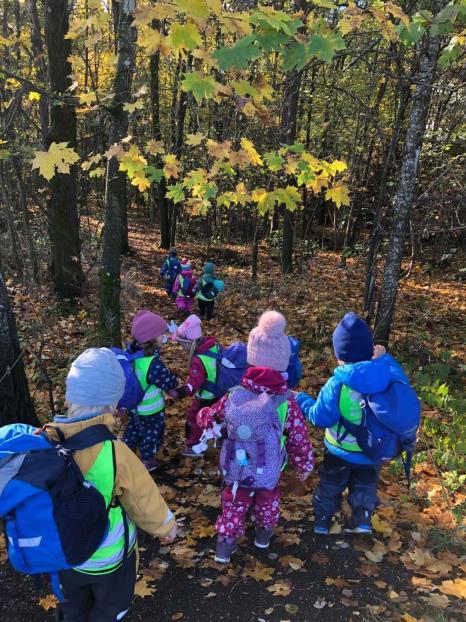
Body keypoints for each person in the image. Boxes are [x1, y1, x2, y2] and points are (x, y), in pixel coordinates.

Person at [47, 347, 177, 622]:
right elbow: (143, 499)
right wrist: (165, 526)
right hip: (108, 560)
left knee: (72, 605)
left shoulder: (48, 440)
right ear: (113, 404)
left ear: (71, 394)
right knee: (110, 607)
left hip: (64, 554)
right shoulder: (115, 452)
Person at [197, 311, 314, 563]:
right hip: (269, 469)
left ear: (251, 359)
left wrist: (205, 416)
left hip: (236, 468)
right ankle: (263, 536)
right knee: (267, 501)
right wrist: (304, 465)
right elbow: (298, 438)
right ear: (283, 364)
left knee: (233, 504)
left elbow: (212, 416)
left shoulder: (234, 394)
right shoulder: (287, 402)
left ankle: (223, 549)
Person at [296, 312, 406, 535]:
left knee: (331, 484)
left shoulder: (337, 383)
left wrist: (301, 400)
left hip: (339, 449)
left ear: (339, 356)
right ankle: (362, 519)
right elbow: (401, 383)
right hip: (371, 449)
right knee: (364, 485)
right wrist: (385, 358)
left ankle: (323, 520)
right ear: (369, 350)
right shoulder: (385, 376)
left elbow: (321, 417)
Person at [123, 310, 178, 471]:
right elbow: (168, 381)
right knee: (152, 434)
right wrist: (175, 382)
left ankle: (127, 454)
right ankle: (148, 459)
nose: (164, 337)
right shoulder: (152, 363)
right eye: (161, 334)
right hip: (152, 408)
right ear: (151, 339)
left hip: (134, 405)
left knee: (133, 429)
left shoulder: (130, 354)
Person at [168, 314, 221, 456]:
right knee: (215, 419)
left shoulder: (199, 360)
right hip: (220, 394)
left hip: (206, 397)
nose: (182, 348)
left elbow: (193, 385)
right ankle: (216, 440)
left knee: (195, 419)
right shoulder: (214, 346)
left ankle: (194, 446)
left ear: (188, 343)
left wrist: (178, 392)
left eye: (182, 344)